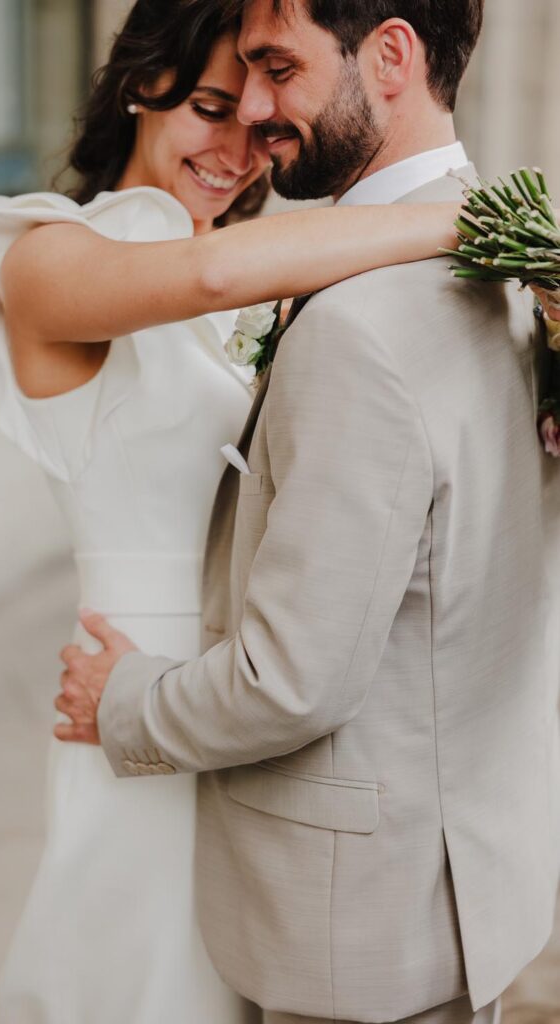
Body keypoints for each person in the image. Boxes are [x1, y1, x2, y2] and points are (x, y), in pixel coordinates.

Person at [54, 2, 560, 1024]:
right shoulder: (517, 264)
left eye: (276, 68)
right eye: (233, 79)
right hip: (463, 882)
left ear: (387, 56)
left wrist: (119, 700)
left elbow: (290, 680)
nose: (251, 109)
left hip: (358, 930)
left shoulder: (366, 317)